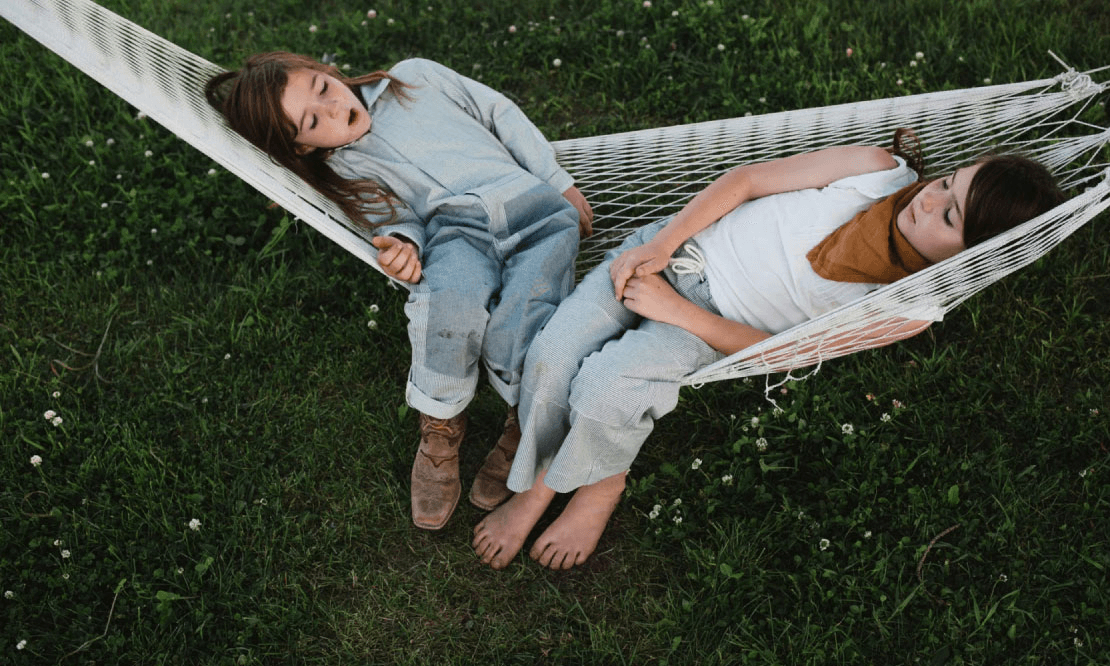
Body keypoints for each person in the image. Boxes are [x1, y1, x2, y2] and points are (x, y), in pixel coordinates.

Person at [472, 130, 1064, 569]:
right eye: (944, 184)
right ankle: (536, 483)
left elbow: (785, 351)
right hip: (667, 249)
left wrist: (676, 310)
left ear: (969, 256)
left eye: (951, 214)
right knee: (552, 357)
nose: (927, 201)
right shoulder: (879, 171)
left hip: (705, 325)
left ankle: (598, 485)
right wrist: (663, 248)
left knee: (606, 391)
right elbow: (749, 180)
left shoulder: (902, 309)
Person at [205, 52, 593, 531]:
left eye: (323, 88)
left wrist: (559, 182)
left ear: (326, 72)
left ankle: (522, 421)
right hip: (455, 234)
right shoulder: (343, 171)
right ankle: (440, 428)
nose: (333, 108)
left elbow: (499, 112)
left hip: (534, 210)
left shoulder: (415, 78)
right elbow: (394, 221)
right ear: (302, 148)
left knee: (524, 318)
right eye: (312, 120)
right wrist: (403, 248)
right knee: (445, 304)